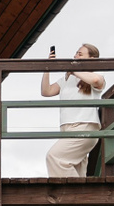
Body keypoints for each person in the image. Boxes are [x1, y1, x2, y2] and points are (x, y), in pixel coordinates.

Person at [40, 43, 107, 178]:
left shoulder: (96, 77)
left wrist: (71, 68)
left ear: (91, 59)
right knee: (77, 171)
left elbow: (95, 80)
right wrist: (47, 67)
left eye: (80, 54)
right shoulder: (67, 79)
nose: (75, 56)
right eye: (76, 53)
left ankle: (72, 191)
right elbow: (46, 91)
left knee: (54, 157)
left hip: (85, 127)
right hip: (66, 129)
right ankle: (80, 192)